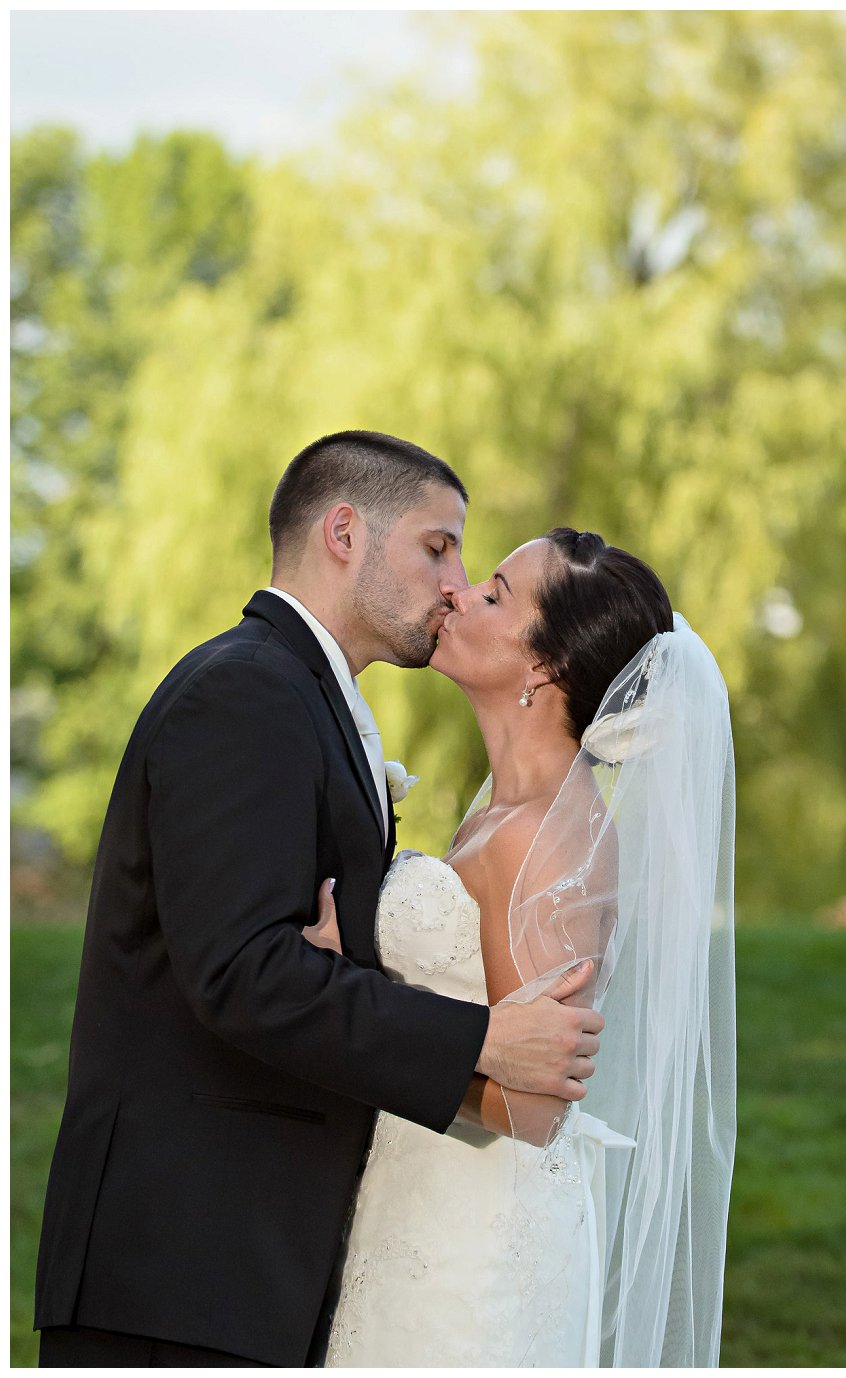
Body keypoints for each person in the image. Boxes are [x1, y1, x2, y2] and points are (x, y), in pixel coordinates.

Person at [35, 432, 606, 1367]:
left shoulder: (294, 693)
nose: (456, 582)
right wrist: (484, 1042)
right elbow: (242, 971)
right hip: (182, 1270)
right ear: (344, 532)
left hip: (242, 1266)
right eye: (438, 547)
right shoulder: (247, 695)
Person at [314, 528, 736, 1366]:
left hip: (473, 1237)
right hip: (423, 1194)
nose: (457, 594)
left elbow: (535, 1110)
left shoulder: (548, 842)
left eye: (495, 594)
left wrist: (350, 1020)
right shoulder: (506, 815)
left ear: (542, 667)